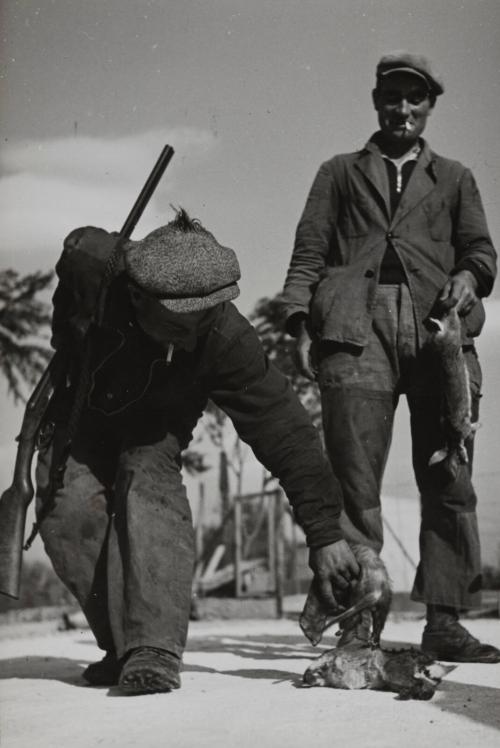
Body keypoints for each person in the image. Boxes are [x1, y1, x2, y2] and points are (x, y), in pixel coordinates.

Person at [35, 208, 360, 695]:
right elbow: (78, 247)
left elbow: (285, 432)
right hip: (81, 412)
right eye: (176, 323)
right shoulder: (95, 273)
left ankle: (153, 650)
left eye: (203, 319)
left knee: (146, 482)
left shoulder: (225, 338)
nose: (190, 336)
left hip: (156, 423)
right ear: (139, 297)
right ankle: (121, 645)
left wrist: (325, 534)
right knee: (66, 511)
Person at [281, 51, 500, 663]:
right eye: (392, 98)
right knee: (355, 486)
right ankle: (358, 624)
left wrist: (468, 278)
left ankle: (446, 622)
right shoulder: (338, 172)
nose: (403, 110)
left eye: (416, 99)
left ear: (430, 105)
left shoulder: (455, 177)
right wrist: (300, 322)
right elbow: (308, 253)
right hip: (354, 333)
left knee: (449, 474)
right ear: (376, 101)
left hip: (440, 335)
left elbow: (483, 252)